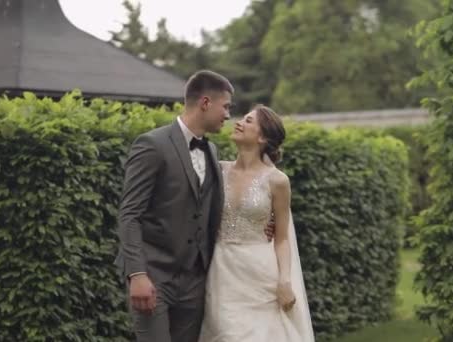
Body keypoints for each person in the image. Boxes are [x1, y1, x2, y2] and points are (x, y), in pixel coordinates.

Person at [115, 70, 234, 342]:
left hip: (195, 279)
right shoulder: (152, 144)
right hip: (154, 276)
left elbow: (210, 207)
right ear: (205, 102)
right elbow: (130, 213)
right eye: (225, 106)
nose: (228, 115)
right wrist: (137, 273)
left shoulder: (212, 151)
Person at [199, 105, 315, 342]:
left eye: (248, 121)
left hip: (261, 273)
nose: (239, 122)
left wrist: (284, 280)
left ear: (262, 137)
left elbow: (282, 238)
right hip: (222, 271)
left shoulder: (277, 181)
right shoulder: (217, 170)